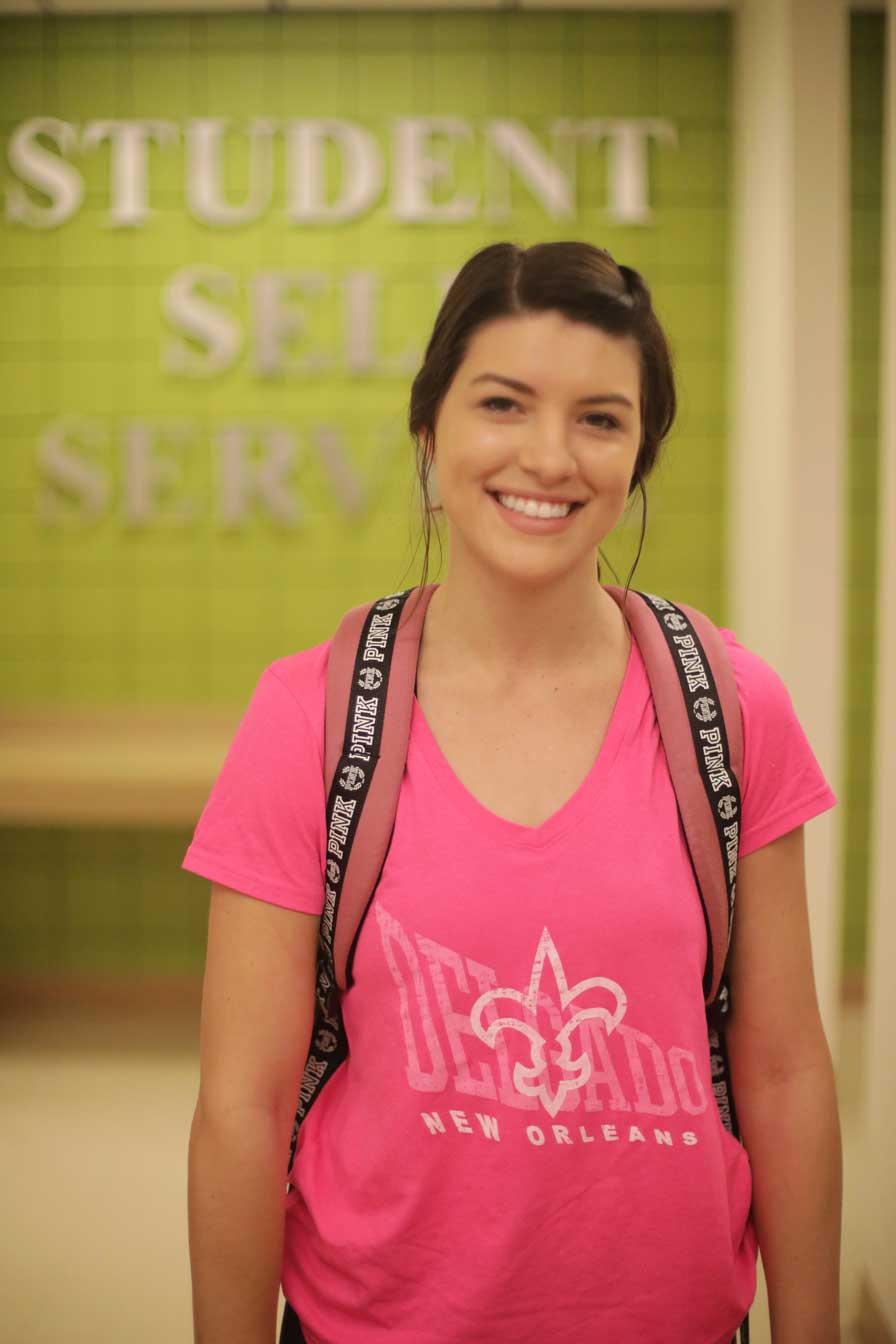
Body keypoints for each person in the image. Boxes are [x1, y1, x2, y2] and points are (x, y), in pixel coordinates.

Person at [183, 241, 842, 1344]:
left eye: (599, 418)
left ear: (637, 455)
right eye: (503, 403)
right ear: (429, 425)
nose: (549, 456)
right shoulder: (310, 717)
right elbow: (241, 1112)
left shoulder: (728, 709)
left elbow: (779, 1072)